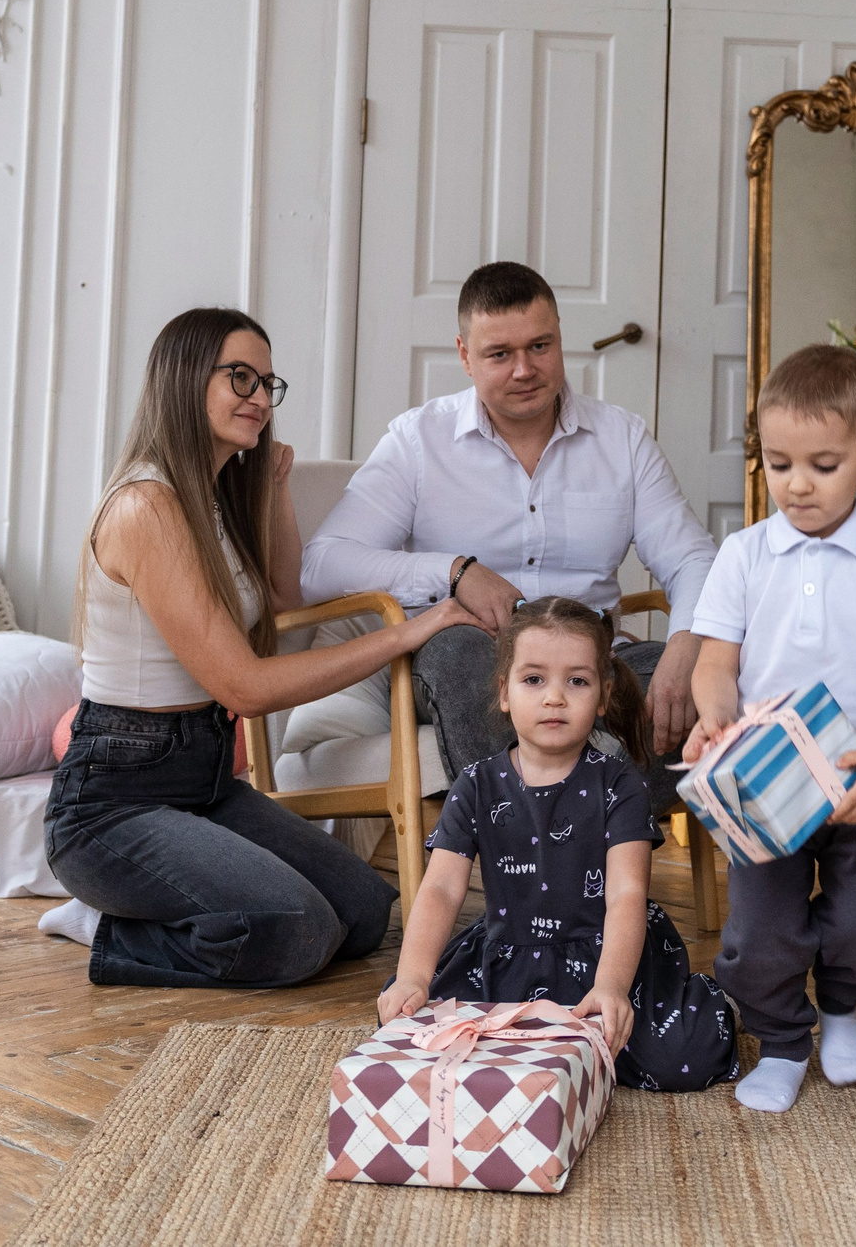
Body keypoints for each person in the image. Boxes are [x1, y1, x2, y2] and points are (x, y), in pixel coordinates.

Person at [41, 307, 487, 988]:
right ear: (186, 380)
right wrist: (406, 632)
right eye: (240, 377)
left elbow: (282, 600)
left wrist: (274, 487)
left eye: (267, 383)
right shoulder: (147, 506)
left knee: (365, 914)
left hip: (203, 780)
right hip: (114, 800)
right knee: (296, 930)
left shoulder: (212, 498)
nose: (259, 397)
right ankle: (106, 924)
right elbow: (245, 687)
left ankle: (166, 903)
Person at [300, 262, 717, 800]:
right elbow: (322, 564)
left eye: (540, 346)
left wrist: (686, 644)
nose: (524, 370)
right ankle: (574, 835)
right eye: (499, 354)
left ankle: (544, 839)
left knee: (703, 682)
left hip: (596, 659)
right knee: (464, 661)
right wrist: (454, 573)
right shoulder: (418, 441)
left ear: (560, 337)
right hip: (471, 656)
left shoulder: (623, 439)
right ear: (464, 355)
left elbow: (693, 559)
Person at [681, 344, 856, 1113]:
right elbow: (715, 662)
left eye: (823, 464)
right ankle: (784, 1040)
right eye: (779, 462)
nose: (797, 483)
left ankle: (843, 1004)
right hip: (768, 784)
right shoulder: (743, 554)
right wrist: (714, 714)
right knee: (758, 935)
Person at [376, 597, 738, 1091]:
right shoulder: (476, 784)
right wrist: (413, 976)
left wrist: (612, 987)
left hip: (605, 955)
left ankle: (714, 1003)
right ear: (504, 692)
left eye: (577, 681)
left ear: (603, 696)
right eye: (533, 679)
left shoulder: (620, 785)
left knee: (681, 1056)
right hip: (505, 958)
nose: (554, 698)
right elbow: (440, 889)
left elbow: (626, 894)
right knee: (414, 1024)